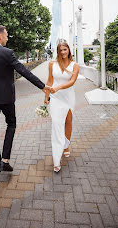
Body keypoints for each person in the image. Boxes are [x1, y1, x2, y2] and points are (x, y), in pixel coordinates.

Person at [0, 25, 50, 174]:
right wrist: (42, 86)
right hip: (6, 98)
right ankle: (5, 160)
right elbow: (23, 71)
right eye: (7, 35)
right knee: (12, 124)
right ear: (0, 36)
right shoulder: (7, 53)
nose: (8, 38)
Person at [44, 42, 79, 173]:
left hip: (68, 97)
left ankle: (66, 146)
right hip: (55, 98)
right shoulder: (52, 64)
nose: (63, 52)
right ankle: (56, 158)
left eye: (65, 49)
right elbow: (49, 81)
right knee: (57, 124)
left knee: (68, 122)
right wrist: (46, 96)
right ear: (57, 52)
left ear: (69, 50)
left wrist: (58, 87)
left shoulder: (75, 65)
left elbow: (72, 81)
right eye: (60, 50)